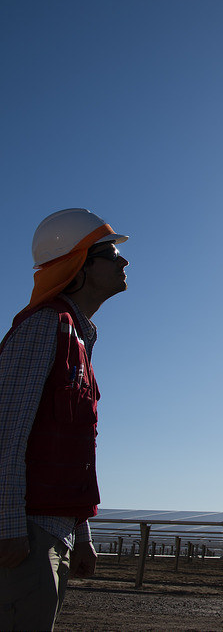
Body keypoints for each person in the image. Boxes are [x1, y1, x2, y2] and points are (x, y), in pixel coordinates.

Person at [0, 208, 128, 630]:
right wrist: (7, 529)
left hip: (51, 531)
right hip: (26, 533)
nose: (123, 261)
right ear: (81, 266)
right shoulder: (43, 328)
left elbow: (70, 449)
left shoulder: (77, 336)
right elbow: (6, 434)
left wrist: (82, 534)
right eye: (111, 253)